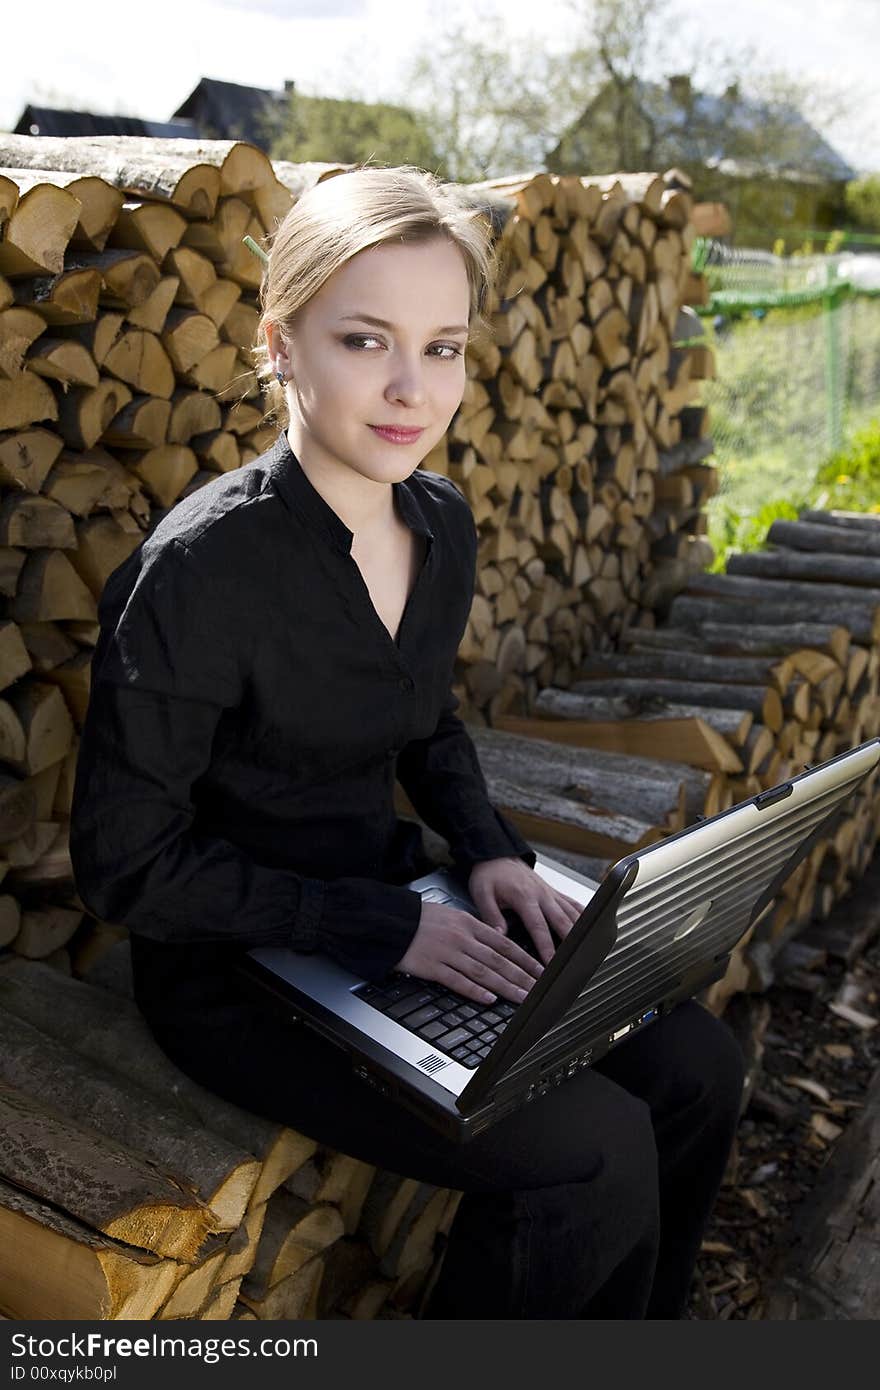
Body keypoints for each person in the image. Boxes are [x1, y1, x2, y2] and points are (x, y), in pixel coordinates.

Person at [70, 165, 744, 1320]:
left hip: (402, 899)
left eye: (444, 346)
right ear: (280, 344)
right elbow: (127, 863)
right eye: (365, 339)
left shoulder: (438, 520)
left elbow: (425, 722)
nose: (410, 388)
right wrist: (389, 928)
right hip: (239, 968)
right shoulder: (197, 574)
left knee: (697, 1072)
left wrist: (489, 851)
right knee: (591, 1152)